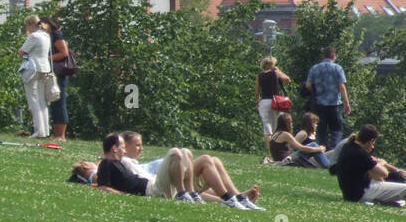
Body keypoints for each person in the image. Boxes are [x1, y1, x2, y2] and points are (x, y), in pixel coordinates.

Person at [118, 131, 265, 209]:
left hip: (174, 180)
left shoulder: (138, 164)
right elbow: (101, 168)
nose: (141, 149)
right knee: (204, 159)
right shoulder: (123, 163)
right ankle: (229, 199)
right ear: (126, 145)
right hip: (165, 184)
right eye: (137, 145)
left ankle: (236, 197)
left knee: (214, 161)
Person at [18, 15, 60, 140]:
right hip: (44, 68)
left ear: (31, 25)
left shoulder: (34, 36)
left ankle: (38, 131)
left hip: (33, 70)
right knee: (42, 101)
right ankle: (45, 130)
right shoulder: (46, 36)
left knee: (34, 101)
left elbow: (22, 52)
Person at [305, 46, 351, 149]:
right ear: (334, 56)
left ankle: (322, 151)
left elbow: (308, 85)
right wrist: (346, 103)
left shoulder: (315, 68)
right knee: (337, 129)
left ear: (323, 56)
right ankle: (334, 150)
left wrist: (316, 92)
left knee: (321, 130)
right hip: (334, 104)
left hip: (318, 104)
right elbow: (341, 86)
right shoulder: (337, 68)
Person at [254, 56, 292, 158]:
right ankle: (277, 151)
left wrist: (257, 102)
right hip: (276, 101)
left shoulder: (260, 75)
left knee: (267, 128)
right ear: (272, 65)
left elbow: (257, 91)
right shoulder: (275, 73)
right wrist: (279, 71)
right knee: (277, 126)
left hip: (264, 102)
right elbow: (287, 79)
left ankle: (270, 153)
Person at [42, 17, 72, 142]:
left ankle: (62, 135)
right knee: (53, 103)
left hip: (59, 73)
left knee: (60, 102)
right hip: (51, 72)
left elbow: (64, 53)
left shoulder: (56, 35)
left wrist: (47, 58)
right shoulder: (46, 36)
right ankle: (56, 134)